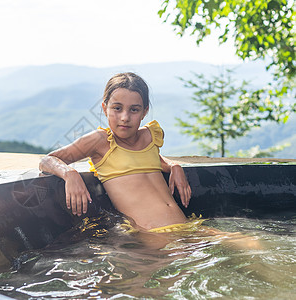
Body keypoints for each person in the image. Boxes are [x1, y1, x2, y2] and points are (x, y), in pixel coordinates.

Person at [39, 72, 194, 233]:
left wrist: (174, 166)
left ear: (144, 112)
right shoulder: (100, 141)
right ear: (105, 108)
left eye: (134, 110)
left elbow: (148, 159)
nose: (125, 117)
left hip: (187, 227)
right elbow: (47, 160)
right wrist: (69, 173)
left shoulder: (150, 136)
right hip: (153, 234)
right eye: (117, 108)